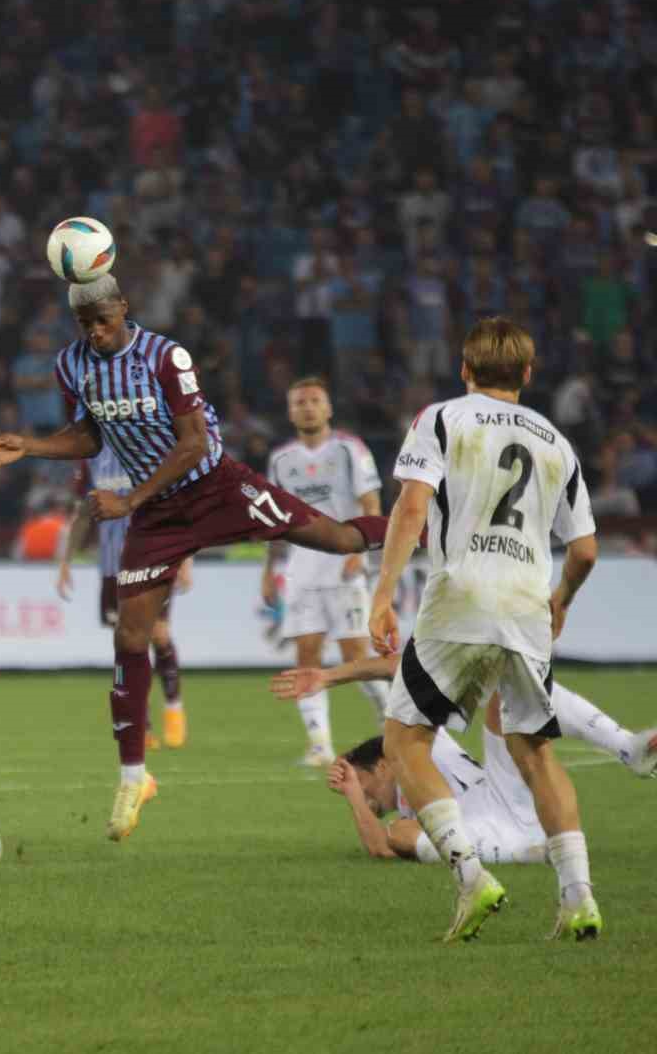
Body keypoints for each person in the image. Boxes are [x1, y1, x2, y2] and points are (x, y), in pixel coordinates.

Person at [0, 272, 387, 842]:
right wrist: (32, 446)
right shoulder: (70, 364)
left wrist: (129, 499)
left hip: (216, 488)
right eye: (85, 324)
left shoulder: (166, 357)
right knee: (130, 635)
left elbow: (193, 440)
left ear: (124, 307)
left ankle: (421, 526)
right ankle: (133, 777)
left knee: (341, 538)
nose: (96, 333)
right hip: (157, 517)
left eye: (104, 320)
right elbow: (89, 436)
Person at [369, 316, 601, 942]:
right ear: (528, 374)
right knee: (536, 752)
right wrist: (562, 602)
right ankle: (578, 896)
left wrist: (383, 594)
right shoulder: (556, 441)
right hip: (526, 603)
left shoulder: (442, 418)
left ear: (464, 370)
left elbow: (412, 506)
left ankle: (471, 877)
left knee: (404, 739)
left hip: (459, 599)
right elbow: (584, 551)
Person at [271, 655, 657, 865]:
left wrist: (330, 676)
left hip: (507, 795)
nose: (362, 796)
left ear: (384, 764)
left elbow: (402, 665)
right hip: (491, 830)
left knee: (506, 683)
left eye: (361, 781)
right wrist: (355, 795)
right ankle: (525, 853)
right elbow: (379, 848)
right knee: (400, 836)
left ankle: (628, 747)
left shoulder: (410, 741)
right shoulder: (406, 816)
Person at [260, 377, 387, 765]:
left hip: (344, 569)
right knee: (307, 657)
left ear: (329, 408)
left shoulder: (350, 449)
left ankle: (394, 723)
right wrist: (270, 569)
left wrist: (361, 550)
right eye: (300, 402)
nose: (308, 407)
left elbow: (371, 502)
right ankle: (319, 746)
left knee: (356, 657)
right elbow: (275, 518)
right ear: (290, 411)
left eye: (315, 401)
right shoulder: (281, 461)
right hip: (301, 570)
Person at [57, 451, 190, 751]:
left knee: (158, 634)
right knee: (128, 643)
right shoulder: (91, 456)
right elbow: (82, 513)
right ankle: (143, 724)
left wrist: (186, 558)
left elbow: (178, 504)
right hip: (110, 567)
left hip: (152, 558)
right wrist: (65, 561)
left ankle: (173, 707)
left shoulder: (147, 447)